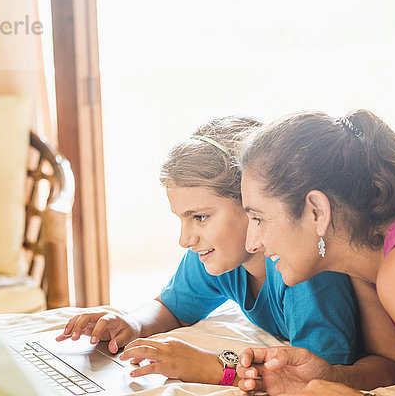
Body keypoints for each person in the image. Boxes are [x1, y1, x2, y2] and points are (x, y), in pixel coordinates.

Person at [56, 116, 360, 386]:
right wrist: (131, 324)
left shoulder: (304, 270)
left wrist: (210, 365)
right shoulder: (221, 259)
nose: (185, 239)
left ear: (250, 200)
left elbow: (314, 377)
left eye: (199, 217)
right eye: (182, 219)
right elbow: (171, 307)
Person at [237, 109, 395, 395]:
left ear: (317, 212)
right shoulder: (371, 249)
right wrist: (336, 378)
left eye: (258, 218)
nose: (252, 243)